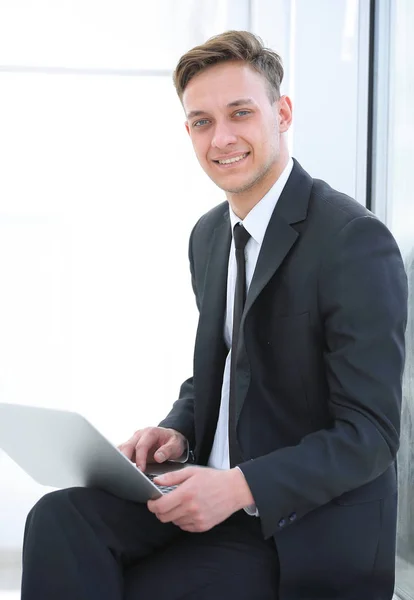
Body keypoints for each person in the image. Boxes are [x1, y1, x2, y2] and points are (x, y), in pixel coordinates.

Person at [21, 30, 408, 600]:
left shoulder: (352, 241)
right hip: (208, 494)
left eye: (240, 113)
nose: (221, 138)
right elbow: (227, 375)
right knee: (58, 518)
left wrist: (238, 487)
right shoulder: (209, 236)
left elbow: (371, 434)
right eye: (201, 121)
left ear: (282, 113)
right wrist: (176, 429)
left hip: (298, 529)